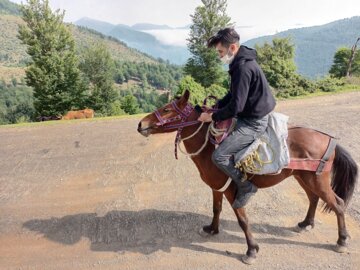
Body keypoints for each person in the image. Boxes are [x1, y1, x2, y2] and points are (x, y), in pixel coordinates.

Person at [197, 28, 276, 209]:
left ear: (232, 47)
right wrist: (215, 107)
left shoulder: (243, 67)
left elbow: (236, 107)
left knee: (219, 156)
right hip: (249, 114)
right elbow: (233, 95)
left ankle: (246, 186)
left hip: (254, 122)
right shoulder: (239, 61)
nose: (219, 56)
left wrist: (212, 117)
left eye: (220, 52)